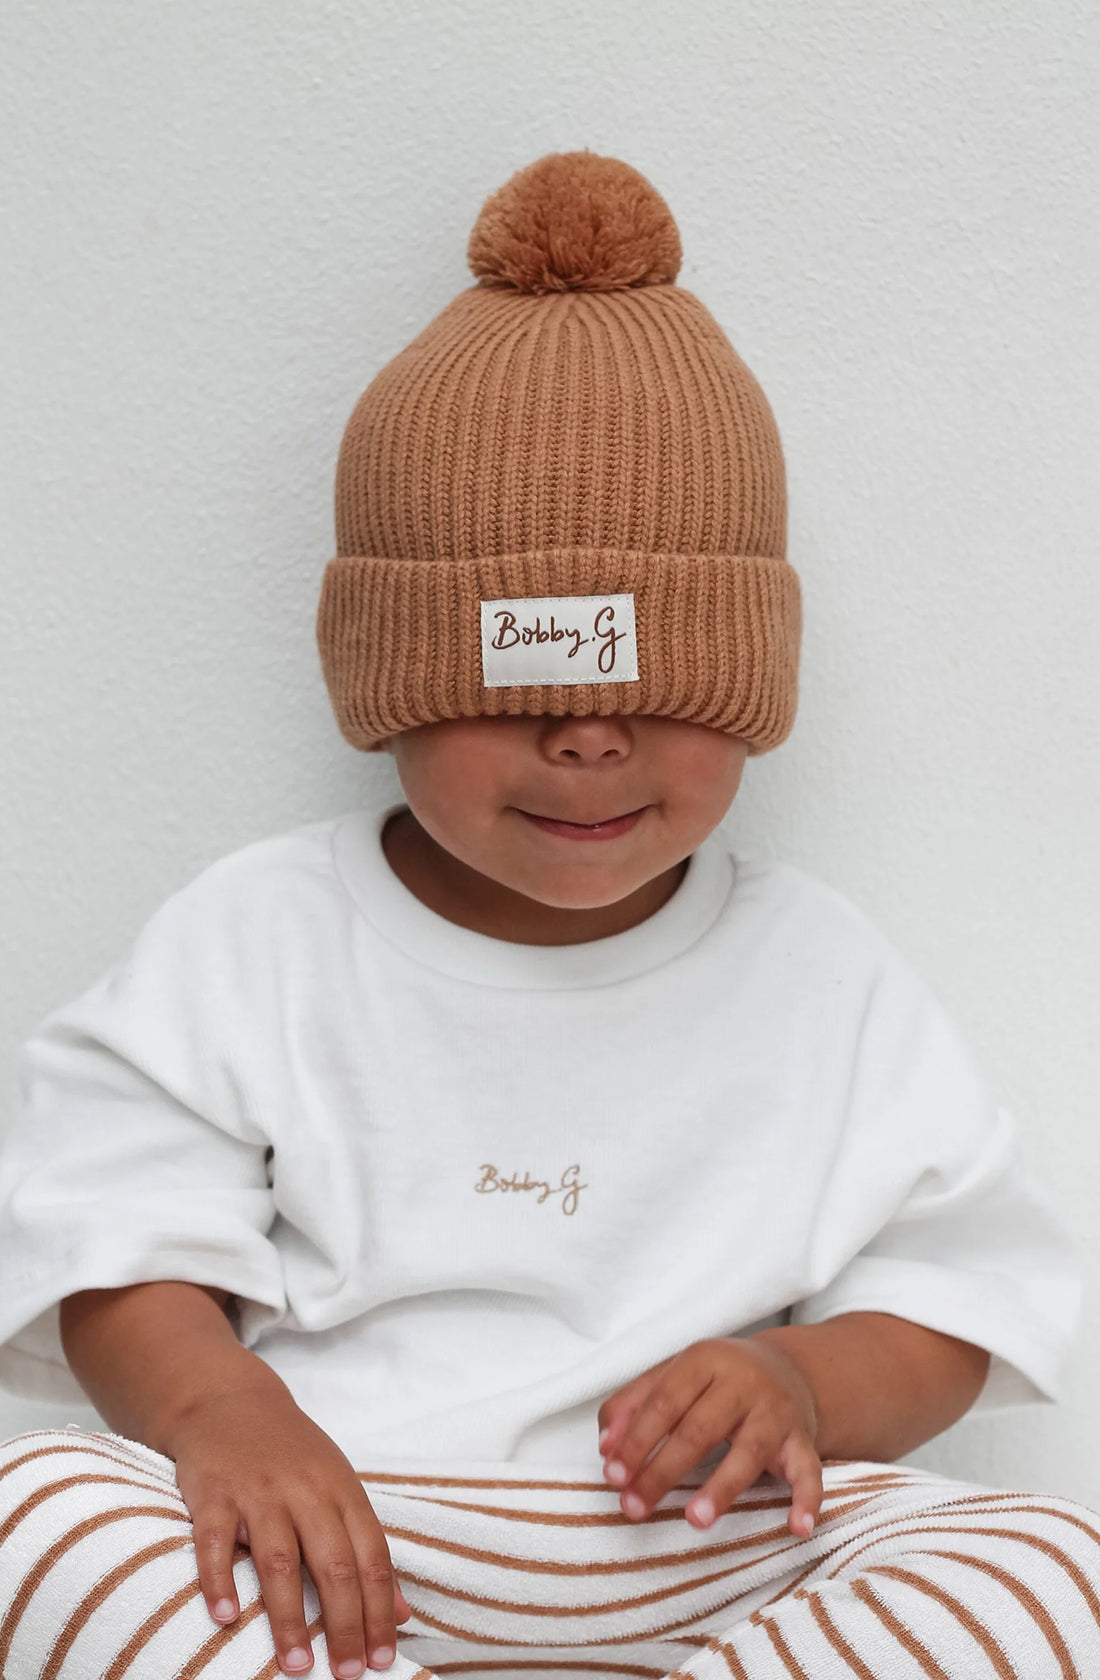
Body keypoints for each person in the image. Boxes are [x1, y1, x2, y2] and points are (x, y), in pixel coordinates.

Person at [0, 148, 1096, 1680]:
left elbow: (959, 1293)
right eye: (518, 691)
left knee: (1042, 1564)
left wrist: (803, 1380)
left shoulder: (815, 970)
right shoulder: (260, 935)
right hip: (338, 1538)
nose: (589, 737)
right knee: (33, 1510)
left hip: (709, 1552)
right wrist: (218, 1414)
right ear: (390, 678)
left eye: (657, 690)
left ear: (750, 685)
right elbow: (111, 1240)